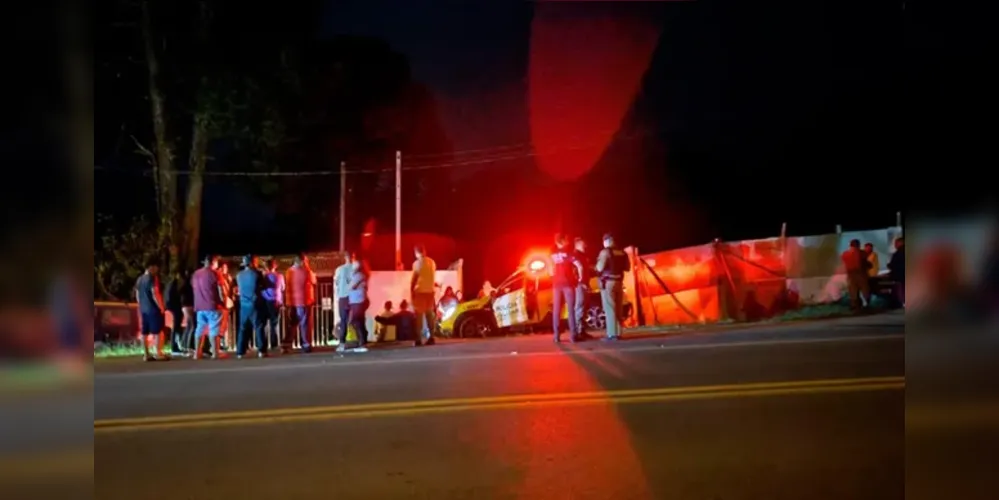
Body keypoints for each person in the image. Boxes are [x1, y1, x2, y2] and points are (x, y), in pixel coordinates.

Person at [595, 233, 631, 341]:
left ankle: (612, 334)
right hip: (619, 282)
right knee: (618, 308)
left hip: (608, 283)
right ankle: (619, 332)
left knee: (610, 308)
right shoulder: (622, 252)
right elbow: (627, 268)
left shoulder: (605, 252)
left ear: (606, 241)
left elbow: (599, 268)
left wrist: (596, 264)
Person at [550, 233, 583, 343]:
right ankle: (573, 335)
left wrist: (553, 276)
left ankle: (556, 336)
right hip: (568, 284)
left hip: (556, 285)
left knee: (556, 311)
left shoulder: (552, 254)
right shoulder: (568, 252)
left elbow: (550, 270)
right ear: (563, 241)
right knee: (571, 310)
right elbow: (579, 265)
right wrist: (580, 277)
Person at [236, 255, 270, 359]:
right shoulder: (257, 274)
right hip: (254, 303)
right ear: (251, 263)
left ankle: (240, 352)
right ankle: (261, 351)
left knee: (242, 327)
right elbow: (265, 286)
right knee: (259, 326)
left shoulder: (239, 275)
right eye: (255, 262)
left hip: (243, 304)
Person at [191, 255, 226, 359]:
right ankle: (215, 353)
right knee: (214, 329)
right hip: (212, 305)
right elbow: (220, 290)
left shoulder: (196, 274)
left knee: (200, 329)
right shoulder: (215, 273)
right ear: (213, 262)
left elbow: (194, 287)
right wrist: (223, 302)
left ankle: (197, 352)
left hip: (199, 306)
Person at [134, 260, 167, 361]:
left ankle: (146, 354)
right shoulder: (152, 278)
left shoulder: (139, 279)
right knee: (157, 332)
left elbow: (137, 294)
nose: (157, 270)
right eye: (156, 267)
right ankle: (158, 353)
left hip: (144, 309)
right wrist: (161, 307)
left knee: (145, 332)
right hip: (153, 309)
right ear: (150, 267)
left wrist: (141, 304)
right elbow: (155, 293)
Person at [285, 252, 317, 353]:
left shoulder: (288, 271)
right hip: (303, 301)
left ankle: (286, 344)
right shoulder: (305, 271)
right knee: (304, 323)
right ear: (302, 261)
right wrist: (307, 267)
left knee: (293, 323)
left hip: (292, 301)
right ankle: (306, 344)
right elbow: (314, 281)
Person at [341, 257, 370, 353]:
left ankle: (361, 341)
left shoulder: (358, 275)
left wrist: (348, 283)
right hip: (357, 300)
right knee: (359, 320)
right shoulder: (359, 275)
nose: (352, 266)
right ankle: (362, 340)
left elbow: (351, 286)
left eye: (354, 265)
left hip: (358, 300)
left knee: (355, 321)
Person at [411, 245, 437, 347]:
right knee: (429, 315)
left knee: (419, 316)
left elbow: (414, 279)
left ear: (416, 253)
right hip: (430, 292)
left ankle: (418, 339)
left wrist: (411, 291)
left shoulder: (417, 263)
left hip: (420, 292)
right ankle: (432, 337)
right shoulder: (432, 262)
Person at [262, 258, 286, 353]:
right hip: (276, 301)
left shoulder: (264, 277)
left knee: (264, 324)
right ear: (275, 266)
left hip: (265, 301)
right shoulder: (279, 276)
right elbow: (283, 288)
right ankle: (274, 344)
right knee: (274, 323)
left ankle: (262, 344)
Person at [841, 239, 870, 311]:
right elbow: (866, 264)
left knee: (853, 291)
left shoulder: (845, 254)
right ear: (859, 245)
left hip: (850, 275)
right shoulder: (862, 253)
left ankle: (854, 306)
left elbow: (844, 263)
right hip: (861, 274)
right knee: (864, 290)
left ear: (850, 245)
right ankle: (866, 305)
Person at [333, 252, 355, 348]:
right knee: (356, 319)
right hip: (352, 297)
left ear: (345, 258)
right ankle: (359, 341)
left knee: (343, 320)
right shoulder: (355, 268)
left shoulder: (339, 269)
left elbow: (336, 283)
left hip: (342, 297)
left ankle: (342, 342)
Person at [572, 237, 592, 339]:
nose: (586, 246)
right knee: (579, 307)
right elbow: (574, 271)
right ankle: (578, 331)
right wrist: (580, 282)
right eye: (584, 244)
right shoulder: (575, 255)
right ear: (578, 244)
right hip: (579, 285)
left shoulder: (582, 256)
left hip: (584, 284)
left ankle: (582, 331)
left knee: (584, 307)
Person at [163, 269, 185, 356]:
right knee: (176, 327)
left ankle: (175, 346)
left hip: (174, 307)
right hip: (175, 308)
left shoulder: (171, 284)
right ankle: (174, 347)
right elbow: (172, 296)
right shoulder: (173, 285)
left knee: (176, 328)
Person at [179, 270, 195, 352]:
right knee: (191, 326)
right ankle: (188, 346)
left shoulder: (184, 285)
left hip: (185, 306)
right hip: (188, 306)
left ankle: (184, 344)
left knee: (189, 326)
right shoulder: (189, 286)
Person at [887, 236, 905, 308]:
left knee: (901, 289)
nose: (895, 245)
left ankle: (902, 303)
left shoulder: (897, 253)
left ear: (900, 243)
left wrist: (889, 266)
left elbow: (893, 264)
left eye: (896, 243)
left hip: (900, 275)